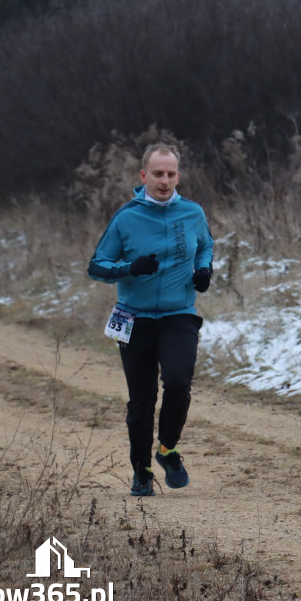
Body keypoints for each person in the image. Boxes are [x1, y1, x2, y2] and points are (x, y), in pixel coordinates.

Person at [88, 144, 214, 496]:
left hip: (178, 315)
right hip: (134, 318)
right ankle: (141, 471)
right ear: (143, 176)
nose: (164, 180)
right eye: (157, 173)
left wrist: (204, 270)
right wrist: (130, 268)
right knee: (141, 400)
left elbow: (206, 245)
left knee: (177, 382)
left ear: (179, 176)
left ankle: (167, 450)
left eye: (171, 174)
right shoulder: (126, 217)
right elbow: (96, 266)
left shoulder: (192, 213)